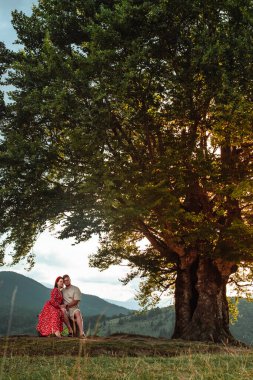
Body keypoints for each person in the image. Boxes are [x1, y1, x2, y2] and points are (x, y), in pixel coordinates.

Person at [62, 274, 86, 338]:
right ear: (63, 282)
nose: (66, 281)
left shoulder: (75, 289)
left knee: (78, 313)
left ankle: (81, 333)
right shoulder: (62, 291)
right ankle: (69, 331)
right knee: (62, 311)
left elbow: (75, 301)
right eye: (65, 281)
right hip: (66, 309)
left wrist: (66, 305)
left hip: (74, 308)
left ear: (70, 280)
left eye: (68, 280)